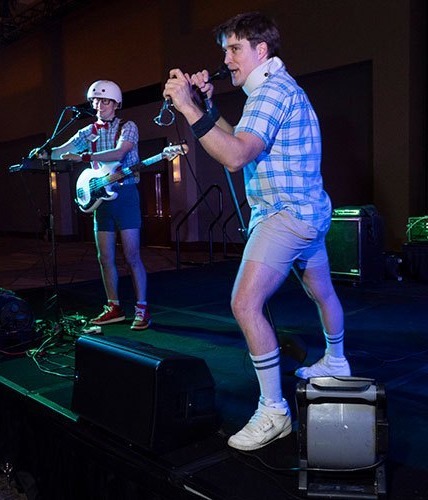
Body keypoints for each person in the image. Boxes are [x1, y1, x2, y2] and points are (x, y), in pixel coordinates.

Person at [163, 12, 350, 451]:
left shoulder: (269, 92)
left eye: (234, 49)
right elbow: (241, 138)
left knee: (245, 302)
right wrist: (207, 109)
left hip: (285, 215)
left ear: (261, 51)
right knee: (321, 291)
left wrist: (188, 108)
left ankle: (274, 411)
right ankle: (337, 360)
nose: (226, 59)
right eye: (225, 50)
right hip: (308, 211)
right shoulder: (274, 89)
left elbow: (234, 156)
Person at [34, 80, 150, 330]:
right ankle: (114, 307)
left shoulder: (128, 127)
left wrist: (84, 157)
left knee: (132, 255)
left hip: (126, 194)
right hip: (101, 199)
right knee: (104, 256)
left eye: (105, 101)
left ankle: (142, 308)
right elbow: (63, 150)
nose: (99, 105)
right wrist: (44, 153)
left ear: (116, 104)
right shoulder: (88, 132)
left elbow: (119, 154)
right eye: (95, 101)